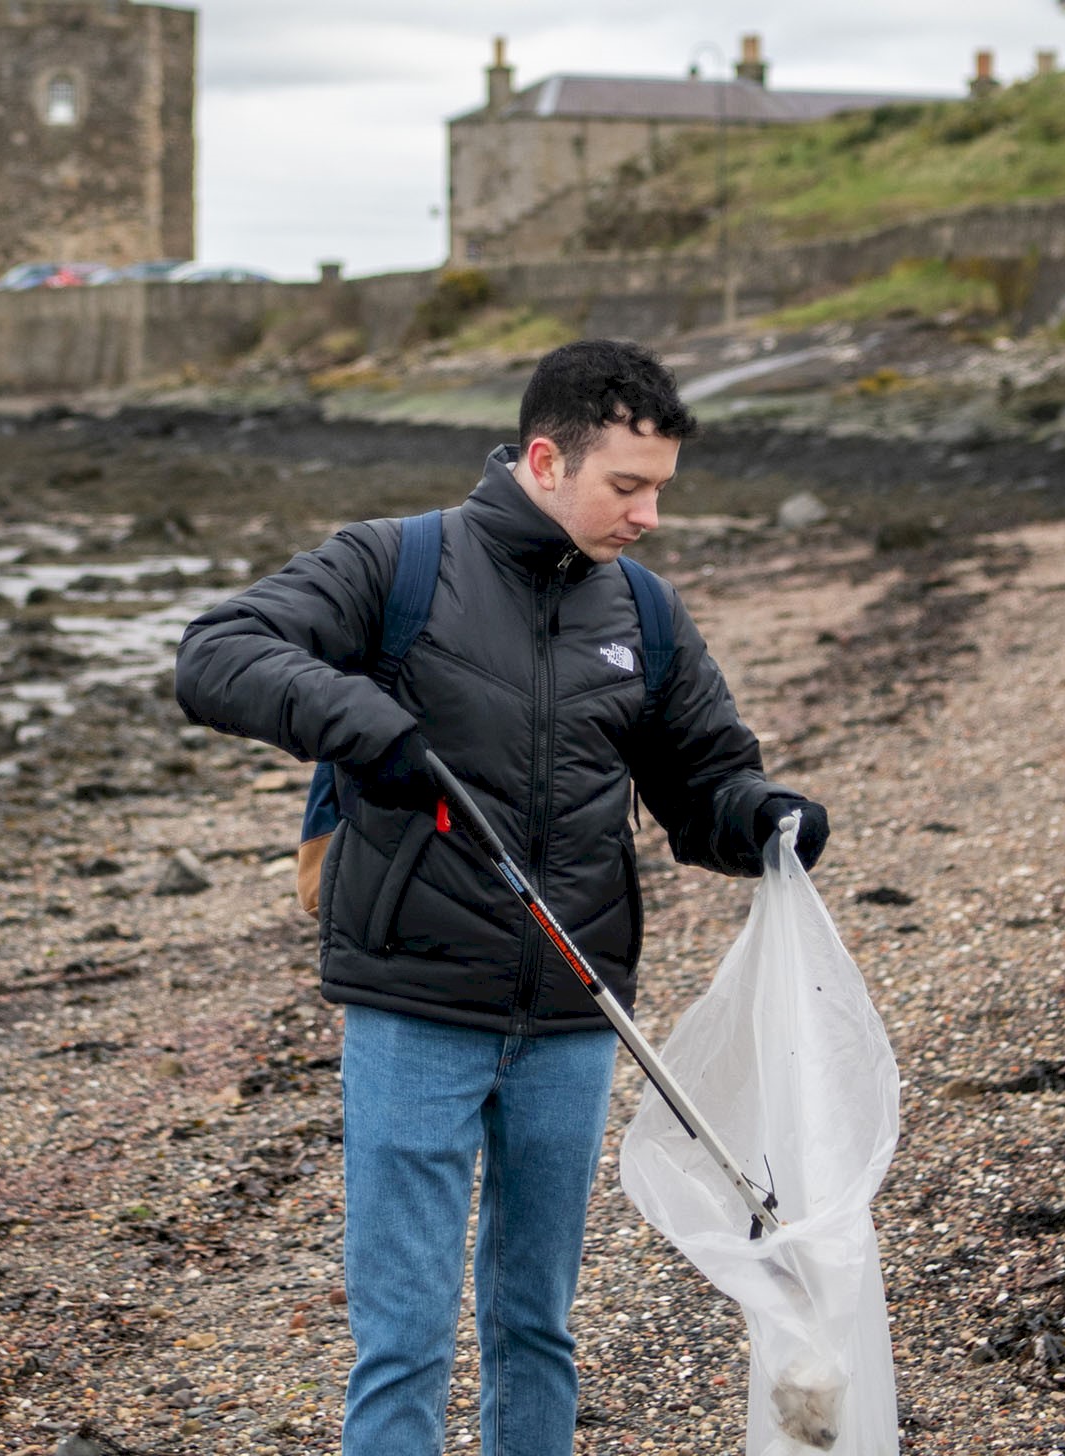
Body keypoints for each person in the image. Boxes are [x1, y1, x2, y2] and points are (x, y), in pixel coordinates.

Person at [174, 339, 828, 1456]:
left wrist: (766, 816)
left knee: (536, 1327)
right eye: (626, 486)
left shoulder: (645, 616)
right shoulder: (397, 565)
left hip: (575, 1015)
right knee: (405, 1338)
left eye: (659, 488)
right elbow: (218, 652)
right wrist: (358, 721)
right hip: (414, 1007)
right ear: (543, 458)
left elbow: (704, 781)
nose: (647, 513)